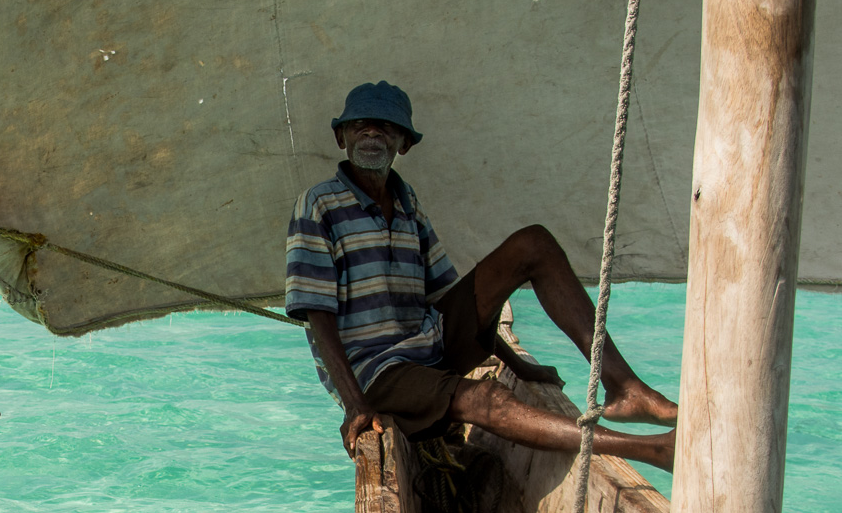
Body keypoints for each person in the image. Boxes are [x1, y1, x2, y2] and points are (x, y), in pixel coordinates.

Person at [284, 81, 678, 470]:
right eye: (360, 125)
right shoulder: (318, 205)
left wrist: (516, 365)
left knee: (533, 243)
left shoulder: (407, 203)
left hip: (428, 344)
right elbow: (318, 314)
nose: (372, 133)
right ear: (341, 137)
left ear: (403, 143)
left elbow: (446, 298)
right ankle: (653, 450)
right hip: (375, 373)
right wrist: (355, 404)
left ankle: (624, 387)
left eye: (386, 127)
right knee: (485, 399)